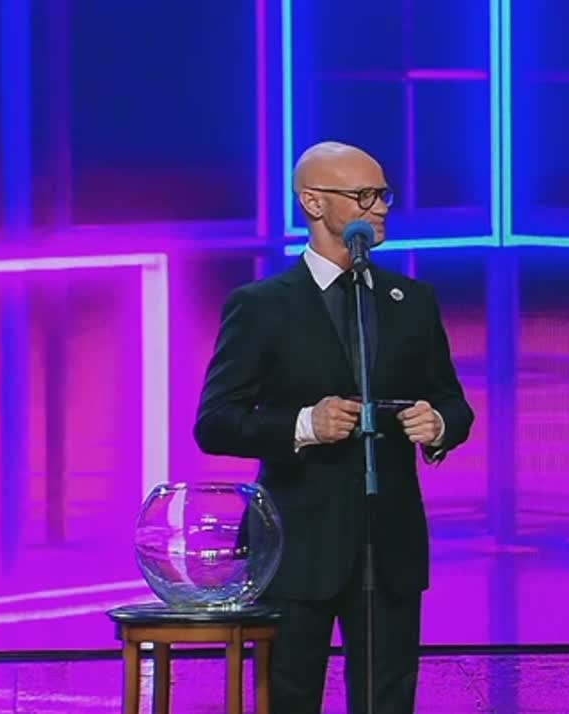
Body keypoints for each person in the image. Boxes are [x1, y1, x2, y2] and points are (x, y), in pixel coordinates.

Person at [194, 141, 474, 713]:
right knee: (290, 696)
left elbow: (453, 401)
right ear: (313, 203)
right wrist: (304, 424)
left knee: (386, 698)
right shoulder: (261, 306)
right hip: (297, 543)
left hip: (389, 541)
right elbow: (215, 422)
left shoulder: (412, 301)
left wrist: (440, 423)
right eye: (364, 196)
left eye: (384, 195)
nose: (381, 208)